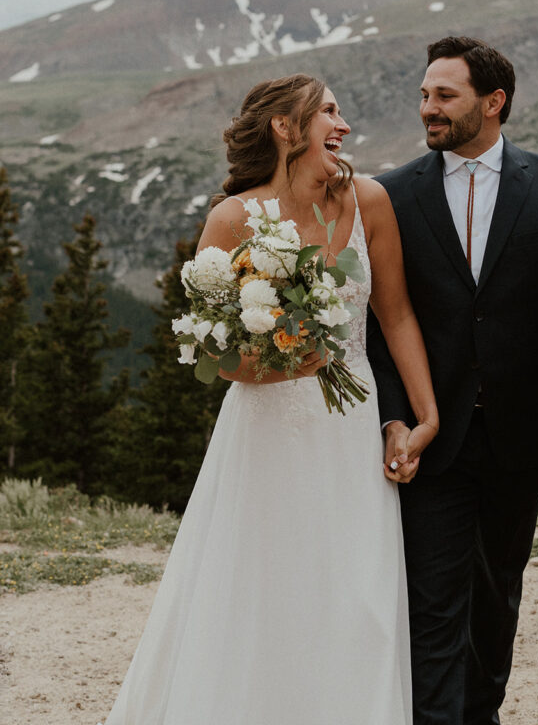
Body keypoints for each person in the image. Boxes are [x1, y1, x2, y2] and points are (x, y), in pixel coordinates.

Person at [102, 74, 438, 725]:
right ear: (286, 127)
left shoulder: (368, 201)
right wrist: (277, 363)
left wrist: (425, 417)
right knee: (258, 591)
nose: (342, 125)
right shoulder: (231, 219)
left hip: (350, 424)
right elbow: (213, 351)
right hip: (264, 432)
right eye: (330, 112)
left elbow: (395, 316)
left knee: (355, 596)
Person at [368, 37, 538, 725]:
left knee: (497, 595)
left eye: (444, 95)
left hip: (520, 433)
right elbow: (380, 324)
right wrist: (396, 416)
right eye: (424, 95)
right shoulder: (390, 194)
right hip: (432, 431)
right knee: (434, 599)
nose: (429, 108)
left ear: (494, 101)